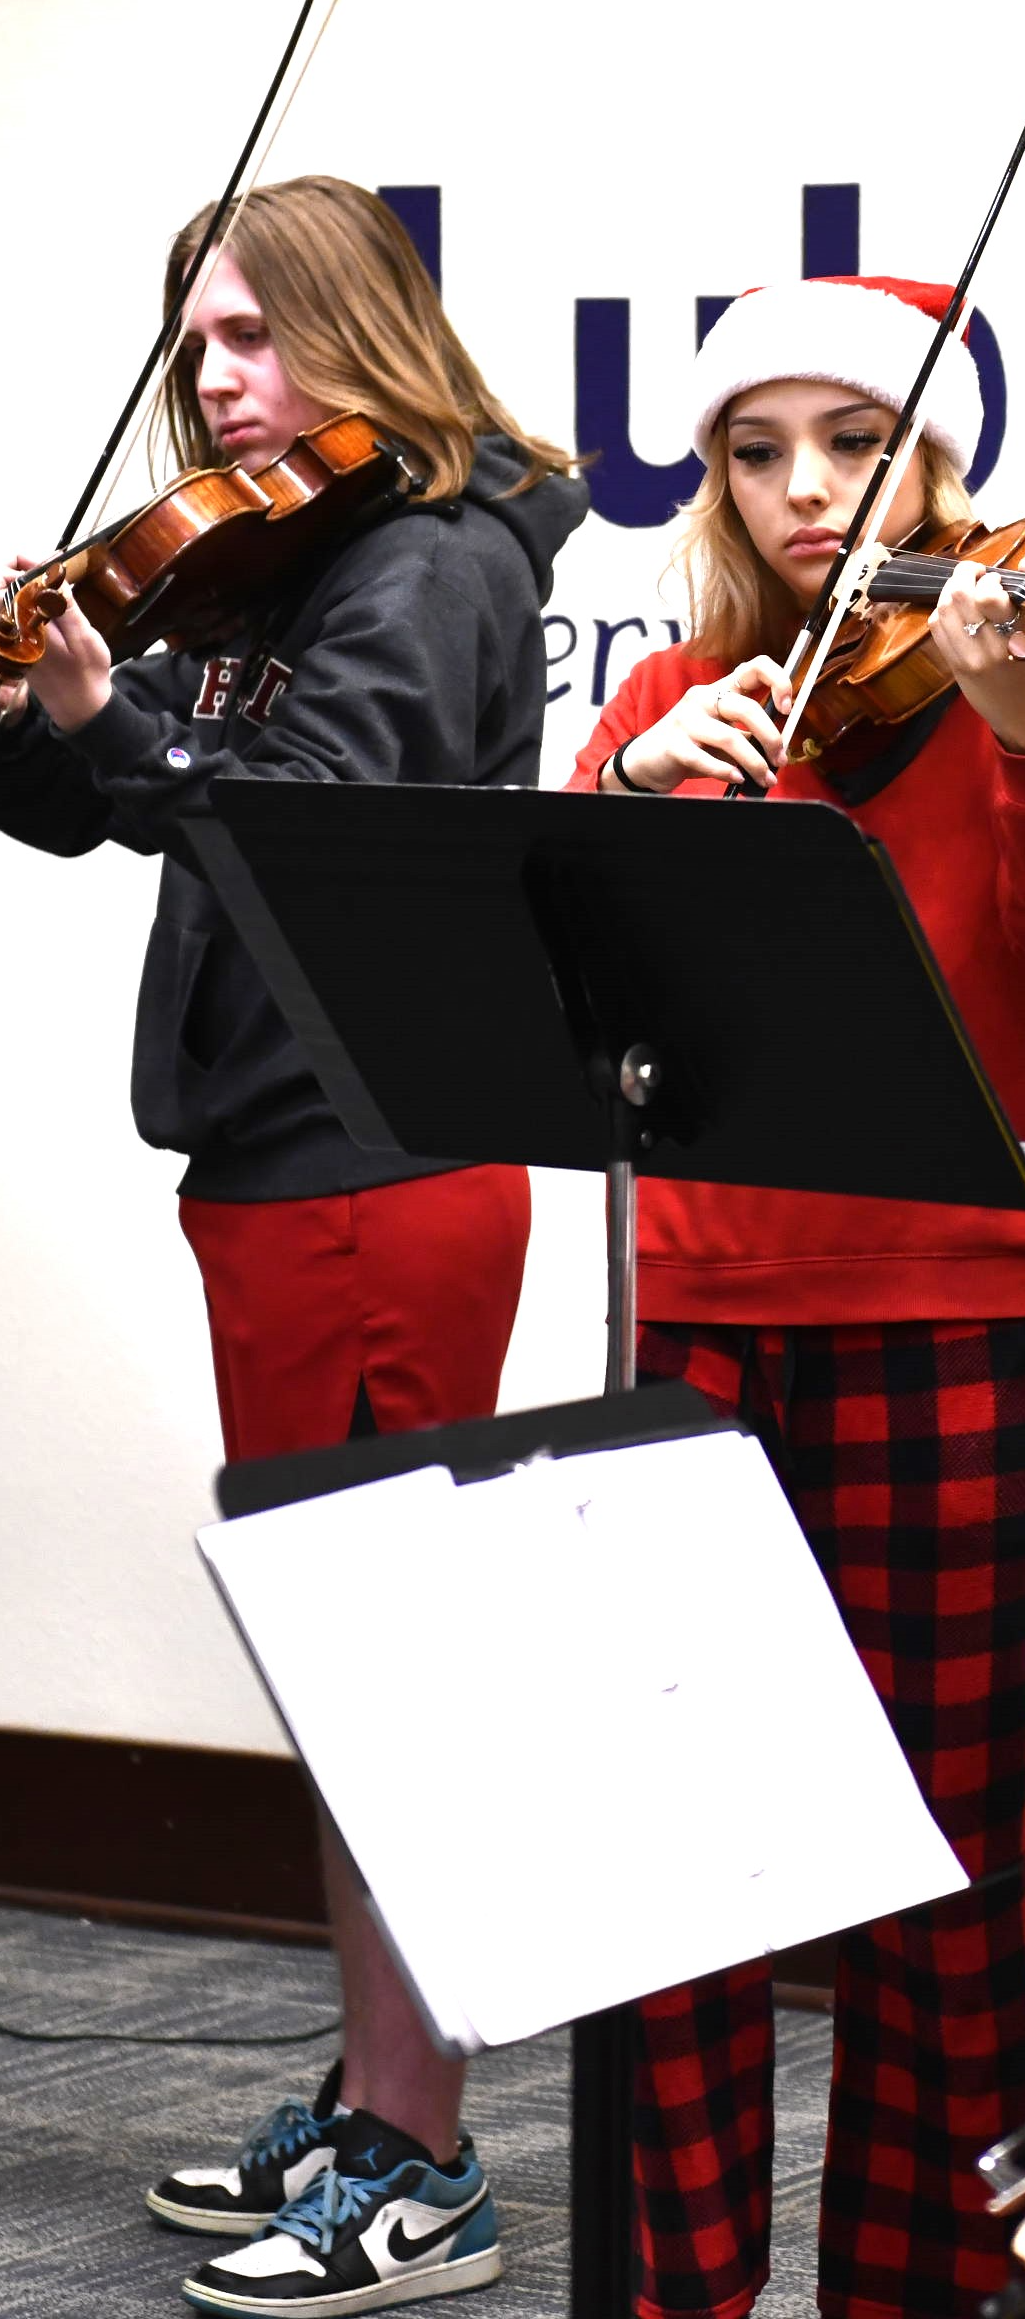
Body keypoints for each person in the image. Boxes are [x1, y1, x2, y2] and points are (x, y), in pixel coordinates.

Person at [0, 174, 585, 2313]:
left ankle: (429, 2165)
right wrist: (53, 706)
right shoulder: (274, 554)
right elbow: (91, 796)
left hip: (378, 1157)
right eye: (194, 344)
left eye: (249, 333)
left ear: (358, 329)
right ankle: (373, 2089)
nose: (216, 376)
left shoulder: (424, 564)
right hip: (274, 1156)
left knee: (389, 1672)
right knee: (343, 1663)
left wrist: (116, 720)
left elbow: (310, 809)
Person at [568, 273, 1025, 2319]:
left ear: (932, 459)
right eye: (756, 449)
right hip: (698, 1313)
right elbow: (555, 994)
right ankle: (675, 2288)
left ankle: (922, 2292)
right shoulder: (664, 701)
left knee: (935, 1861)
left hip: (959, 1308)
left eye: (851, 440)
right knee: (678, 1865)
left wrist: (1021, 728)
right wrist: (629, 807)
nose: (805, 487)